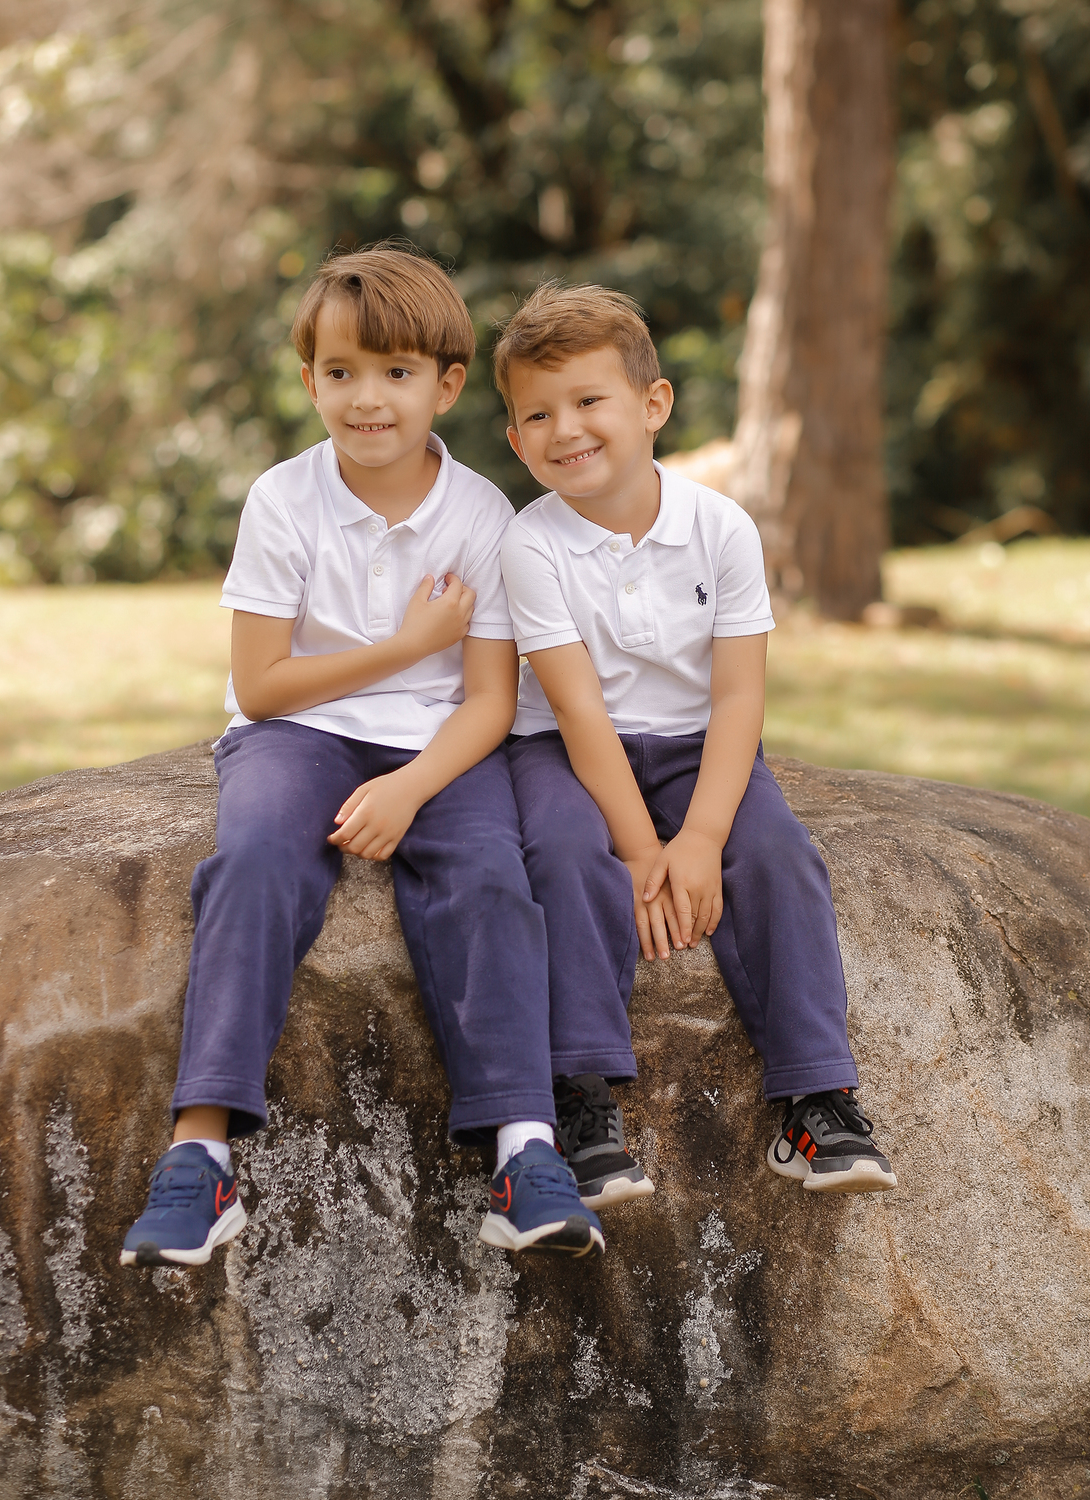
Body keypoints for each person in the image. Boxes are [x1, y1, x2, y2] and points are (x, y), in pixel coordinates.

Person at [121, 248, 644, 1270]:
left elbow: (491, 701)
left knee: (491, 878)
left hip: (437, 743)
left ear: (447, 385)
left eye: (398, 373)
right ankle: (200, 1155)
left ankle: (523, 1149)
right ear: (309, 379)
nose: (368, 400)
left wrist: (408, 786)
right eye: (341, 372)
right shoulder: (283, 500)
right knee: (257, 862)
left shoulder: (484, 515)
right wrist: (406, 646)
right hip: (294, 735)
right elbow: (265, 685)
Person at [493, 283, 896, 1194]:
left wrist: (704, 838)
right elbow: (580, 710)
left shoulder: (721, 529)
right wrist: (640, 849)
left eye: (590, 401)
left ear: (653, 405)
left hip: (696, 744)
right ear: (515, 442)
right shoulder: (531, 545)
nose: (567, 429)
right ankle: (582, 1098)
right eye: (538, 415)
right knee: (562, 853)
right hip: (562, 747)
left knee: (781, 854)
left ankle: (817, 1102)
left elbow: (740, 692)